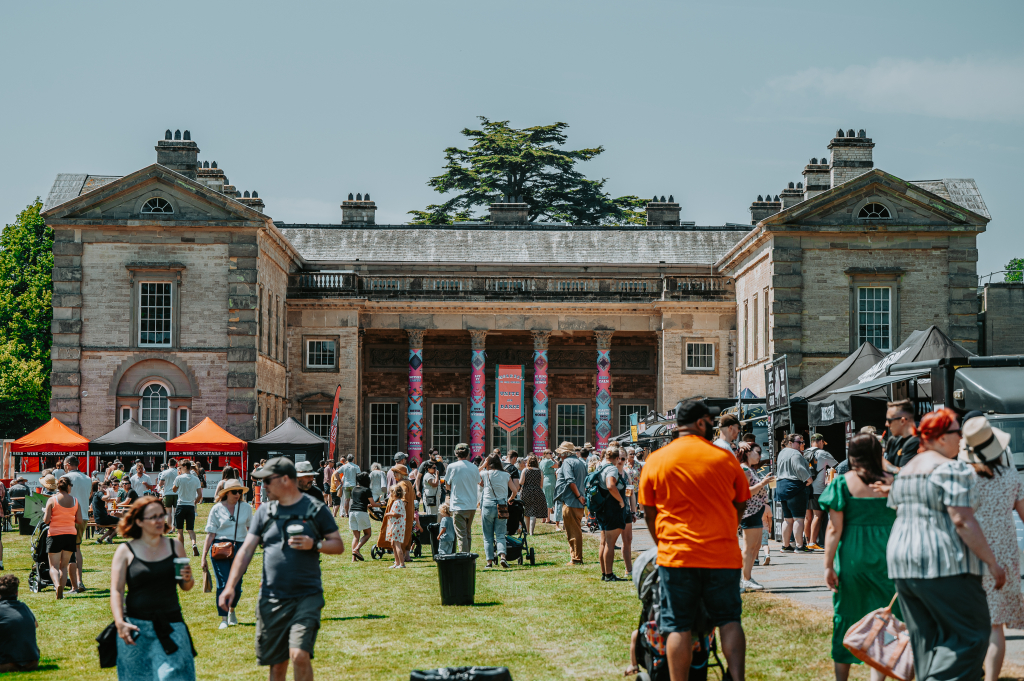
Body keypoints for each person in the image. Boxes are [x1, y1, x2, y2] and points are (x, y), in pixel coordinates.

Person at [887, 408, 1006, 681]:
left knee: (925, 641)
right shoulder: (951, 469)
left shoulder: (905, 472)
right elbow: (962, 520)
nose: (962, 440)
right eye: (957, 433)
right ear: (940, 437)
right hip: (945, 563)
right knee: (971, 637)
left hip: (902, 564)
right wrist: (991, 562)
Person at [638, 399, 751, 681]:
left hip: (677, 555)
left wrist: (662, 542)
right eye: (710, 421)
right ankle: (737, 678)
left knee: (677, 625)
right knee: (729, 620)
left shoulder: (656, 460)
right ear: (700, 423)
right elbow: (741, 502)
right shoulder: (725, 458)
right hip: (722, 555)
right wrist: (727, 527)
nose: (712, 425)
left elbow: (648, 512)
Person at [220, 457, 343, 680]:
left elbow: (338, 544)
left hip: (306, 596)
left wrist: (314, 544)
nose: (263, 486)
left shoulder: (314, 508)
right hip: (271, 598)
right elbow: (246, 550)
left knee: (299, 655)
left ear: (285, 479)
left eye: (267, 480)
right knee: (277, 666)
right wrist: (230, 586)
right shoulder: (264, 511)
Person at [819, 434, 899, 681]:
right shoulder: (893, 483)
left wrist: (828, 566)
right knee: (887, 620)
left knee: (848, 615)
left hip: (854, 557)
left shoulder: (842, 484)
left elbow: (834, 529)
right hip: (889, 556)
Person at [958, 414, 1024, 681]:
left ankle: (969, 671)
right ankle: (991, 679)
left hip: (972, 551)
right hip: (1006, 554)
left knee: (970, 619)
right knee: (996, 624)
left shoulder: (964, 477)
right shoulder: (1011, 475)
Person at [110, 497, 196, 680]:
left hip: (171, 626)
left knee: (173, 676)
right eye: (153, 517)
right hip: (135, 628)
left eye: (161, 515)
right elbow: (116, 590)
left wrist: (188, 578)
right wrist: (119, 622)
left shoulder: (175, 546)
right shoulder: (125, 551)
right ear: (139, 521)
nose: (159, 520)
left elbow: (186, 586)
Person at [202, 479, 252, 630]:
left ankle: (232, 610)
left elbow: (251, 529)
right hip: (220, 548)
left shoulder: (246, 508)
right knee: (223, 584)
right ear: (226, 493)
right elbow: (210, 534)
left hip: (240, 548)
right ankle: (223, 618)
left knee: (236, 586)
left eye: (240, 492)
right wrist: (203, 556)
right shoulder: (216, 509)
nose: (238, 494)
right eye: (234, 492)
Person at [736, 442, 773, 592]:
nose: (759, 455)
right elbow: (744, 493)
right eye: (757, 452)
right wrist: (763, 483)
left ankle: (747, 578)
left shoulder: (750, 469)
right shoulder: (744, 470)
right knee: (749, 547)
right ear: (748, 453)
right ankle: (745, 579)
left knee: (755, 546)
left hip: (756, 510)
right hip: (749, 512)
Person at [42, 476, 84, 599]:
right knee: (64, 566)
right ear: (68, 486)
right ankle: (62, 586)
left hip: (55, 535)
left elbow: (46, 520)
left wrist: (46, 511)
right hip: (70, 534)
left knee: (53, 566)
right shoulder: (75, 501)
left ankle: (57, 585)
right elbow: (80, 520)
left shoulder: (52, 500)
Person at [479, 454, 520, 569]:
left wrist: (484, 464)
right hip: (502, 504)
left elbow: (475, 473)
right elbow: (515, 490)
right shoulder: (506, 475)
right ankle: (503, 557)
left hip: (487, 504)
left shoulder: (485, 474)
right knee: (501, 534)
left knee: (487, 536)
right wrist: (510, 499)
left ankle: (489, 562)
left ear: (489, 463)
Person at [594, 448, 629, 581]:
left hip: (602, 507)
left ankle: (605, 573)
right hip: (611, 508)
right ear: (617, 458)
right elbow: (610, 485)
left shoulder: (600, 466)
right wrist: (621, 501)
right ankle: (609, 574)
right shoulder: (612, 469)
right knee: (610, 543)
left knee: (603, 543)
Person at [775, 434, 813, 552]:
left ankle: (785, 546)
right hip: (794, 486)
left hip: (781, 486)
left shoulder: (782, 453)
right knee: (798, 518)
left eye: (802, 442)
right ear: (790, 442)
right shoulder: (795, 453)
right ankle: (800, 546)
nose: (801, 444)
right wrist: (809, 479)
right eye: (799, 442)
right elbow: (799, 468)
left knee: (787, 518)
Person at [59, 455, 92, 591]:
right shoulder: (88, 478)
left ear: (67, 464)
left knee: (67, 550)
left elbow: (60, 497)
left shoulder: (66, 478)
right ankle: (79, 581)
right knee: (77, 548)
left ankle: (72, 583)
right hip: (83, 515)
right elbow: (89, 495)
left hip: (69, 516)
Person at [555, 441, 588, 565]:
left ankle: (576, 558)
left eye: (560, 454)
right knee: (576, 530)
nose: (559, 456)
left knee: (573, 532)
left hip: (571, 501)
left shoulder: (567, 462)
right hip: (578, 502)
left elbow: (570, 480)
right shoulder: (581, 462)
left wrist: (578, 496)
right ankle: (575, 557)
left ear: (565, 453)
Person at [375, 464, 419, 556]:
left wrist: (395, 512)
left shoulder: (402, 484)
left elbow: (403, 500)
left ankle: (400, 559)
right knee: (407, 534)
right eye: (394, 472)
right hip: (407, 514)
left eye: (396, 472)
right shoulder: (408, 483)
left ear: (402, 474)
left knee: (399, 539)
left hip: (400, 516)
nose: (394, 474)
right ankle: (406, 556)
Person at [804, 434, 838, 550]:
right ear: (821, 441)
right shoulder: (823, 453)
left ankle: (807, 541)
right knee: (818, 515)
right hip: (818, 489)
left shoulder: (804, 452)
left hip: (806, 487)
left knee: (808, 517)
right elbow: (837, 466)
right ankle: (813, 542)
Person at [0, 574, 39, 673]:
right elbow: (35, 625)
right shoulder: (24, 607)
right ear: (17, 593)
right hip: (32, 663)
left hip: (7, 663)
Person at [444, 443, 479, 553]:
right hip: (471, 505)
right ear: (468, 453)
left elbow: (447, 485)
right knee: (467, 533)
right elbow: (478, 481)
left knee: (461, 535)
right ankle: (468, 556)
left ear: (455, 453)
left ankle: (464, 558)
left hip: (458, 504)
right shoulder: (474, 467)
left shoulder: (451, 467)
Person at [171, 461, 204, 557]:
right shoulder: (196, 479)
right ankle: (194, 544)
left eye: (180, 467)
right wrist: (194, 503)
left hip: (181, 505)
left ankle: (181, 550)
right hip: (190, 506)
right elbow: (200, 495)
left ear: (184, 467)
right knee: (190, 529)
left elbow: (174, 489)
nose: (179, 469)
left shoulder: (179, 478)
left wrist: (178, 475)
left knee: (180, 530)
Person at [348, 472, 379, 562]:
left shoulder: (354, 489)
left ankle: (353, 558)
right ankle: (356, 549)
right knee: (367, 534)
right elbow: (373, 504)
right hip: (361, 512)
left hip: (352, 512)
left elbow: (360, 501)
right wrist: (381, 504)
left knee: (356, 537)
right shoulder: (366, 490)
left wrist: (368, 505)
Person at [615, 450, 636, 579]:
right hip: (613, 510)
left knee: (627, 540)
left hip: (626, 510)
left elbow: (631, 493)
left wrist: (633, 511)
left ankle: (629, 569)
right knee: (608, 542)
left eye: (623, 459)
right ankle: (607, 571)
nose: (620, 461)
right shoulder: (611, 472)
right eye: (618, 458)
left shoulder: (626, 474)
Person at [884, 399, 920, 469]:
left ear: (902, 421)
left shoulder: (917, 442)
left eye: (889, 421)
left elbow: (903, 472)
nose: (887, 424)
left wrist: (879, 459)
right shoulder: (893, 441)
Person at [519, 455, 548, 535]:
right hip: (537, 491)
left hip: (526, 491)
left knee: (526, 511)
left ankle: (527, 531)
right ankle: (531, 532)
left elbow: (521, 482)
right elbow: (541, 485)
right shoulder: (540, 471)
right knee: (533, 513)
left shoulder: (525, 470)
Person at [383, 485, 408, 568]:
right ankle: (397, 562)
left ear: (395, 494)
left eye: (391, 493)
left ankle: (402, 563)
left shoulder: (397, 502)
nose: (390, 495)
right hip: (395, 526)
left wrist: (388, 514)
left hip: (397, 526)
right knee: (393, 544)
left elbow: (397, 514)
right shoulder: (398, 502)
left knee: (397, 545)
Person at [539, 450, 557, 524]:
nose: (551, 454)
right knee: (548, 500)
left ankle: (544, 518)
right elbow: (558, 465)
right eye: (550, 453)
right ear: (545, 454)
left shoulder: (542, 461)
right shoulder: (549, 461)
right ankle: (548, 519)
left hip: (544, 480)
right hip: (549, 481)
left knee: (545, 499)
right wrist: (553, 459)